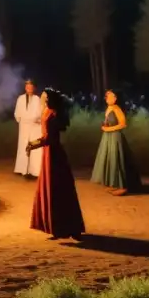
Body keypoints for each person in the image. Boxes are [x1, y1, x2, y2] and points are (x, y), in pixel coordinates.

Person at [26, 88, 85, 240]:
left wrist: (33, 144)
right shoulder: (48, 112)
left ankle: (67, 228)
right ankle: (61, 228)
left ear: (49, 100)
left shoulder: (53, 114)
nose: (42, 98)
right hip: (50, 153)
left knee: (58, 189)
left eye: (45, 97)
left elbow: (49, 138)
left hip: (54, 154)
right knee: (56, 189)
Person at [90, 89, 142, 195]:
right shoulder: (109, 108)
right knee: (110, 160)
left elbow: (123, 124)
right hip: (108, 137)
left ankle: (122, 186)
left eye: (111, 96)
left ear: (116, 98)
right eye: (107, 96)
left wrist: (109, 129)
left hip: (115, 137)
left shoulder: (117, 108)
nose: (108, 98)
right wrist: (105, 125)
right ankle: (113, 183)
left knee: (117, 159)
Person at [14, 79, 43, 178]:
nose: (29, 88)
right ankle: (21, 168)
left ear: (34, 88)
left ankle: (33, 170)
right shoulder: (20, 98)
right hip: (24, 126)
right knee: (23, 146)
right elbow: (17, 113)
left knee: (33, 147)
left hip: (34, 126)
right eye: (27, 87)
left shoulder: (37, 99)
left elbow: (40, 113)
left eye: (31, 87)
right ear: (25, 88)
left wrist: (36, 120)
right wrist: (21, 120)